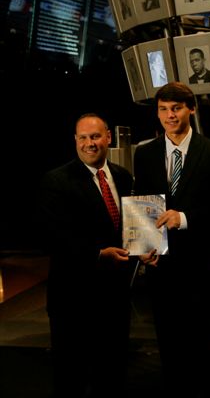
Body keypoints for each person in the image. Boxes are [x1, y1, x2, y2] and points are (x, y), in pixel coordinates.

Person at [133, 82, 210, 397]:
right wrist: (143, 248)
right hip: (162, 271)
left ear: (190, 109)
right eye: (163, 109)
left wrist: (185, 218)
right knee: (171, 352)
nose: (170, 115)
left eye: (176, 108)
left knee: (207, 351)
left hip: (201, 270)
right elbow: (142, 204)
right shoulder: (145, 153)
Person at [36, 113, 133, 398]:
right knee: (71, 379)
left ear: (108, 138)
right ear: (75, 141)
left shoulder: (124, 178)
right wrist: (98, 254)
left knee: (112, 375)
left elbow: (130, 230)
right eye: (83, 138)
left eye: (95, 137)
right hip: (73, 302)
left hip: (114, 300)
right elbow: (49, 238)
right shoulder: (56, 181)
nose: (90, 144)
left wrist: (146, 250)